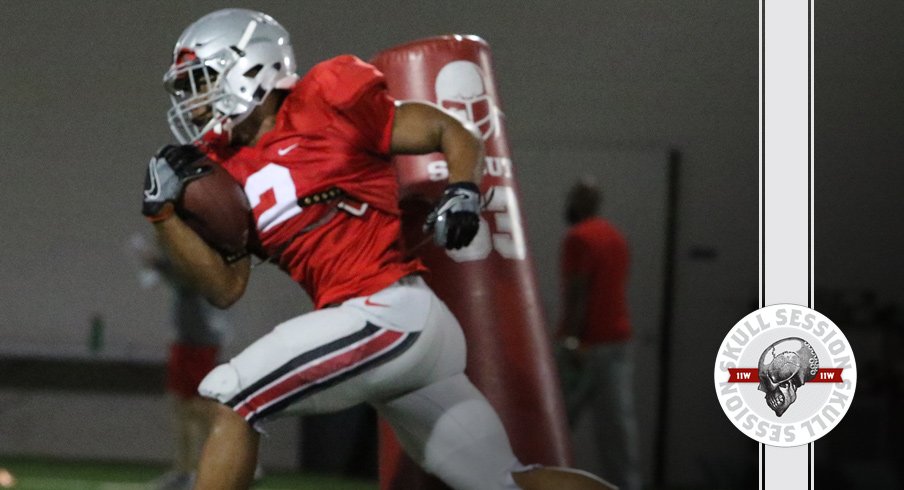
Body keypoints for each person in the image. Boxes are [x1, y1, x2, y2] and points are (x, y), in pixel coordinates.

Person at [141, 9, 614, 490]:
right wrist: (162, 215)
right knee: (504, 483)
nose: (192, 101)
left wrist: (463, 189)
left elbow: (450, 130)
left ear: (249, 66)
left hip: (390, 311)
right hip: (390, 335)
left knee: (233, 396)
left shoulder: (326, 98)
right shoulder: (224, 170)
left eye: (199, 80)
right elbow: (226, 288)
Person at [556, 178, 641, 490]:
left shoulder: (579, 238)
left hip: (586, 346)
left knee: (557, 424)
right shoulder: (615, 237)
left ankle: (542, 483)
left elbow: (579, 290)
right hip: (617, 342)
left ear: (581, 203)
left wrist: (572, 340)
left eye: (573, 197)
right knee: (617, 427)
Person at [128, 233, 229, 490]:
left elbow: (186, 278)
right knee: (181, 407)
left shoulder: (197, 264)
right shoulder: (183, 266)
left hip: (200, 344)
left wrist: (155, 261)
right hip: (186, 342)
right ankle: (184, 472)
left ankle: (220, 467)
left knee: (202, 409)